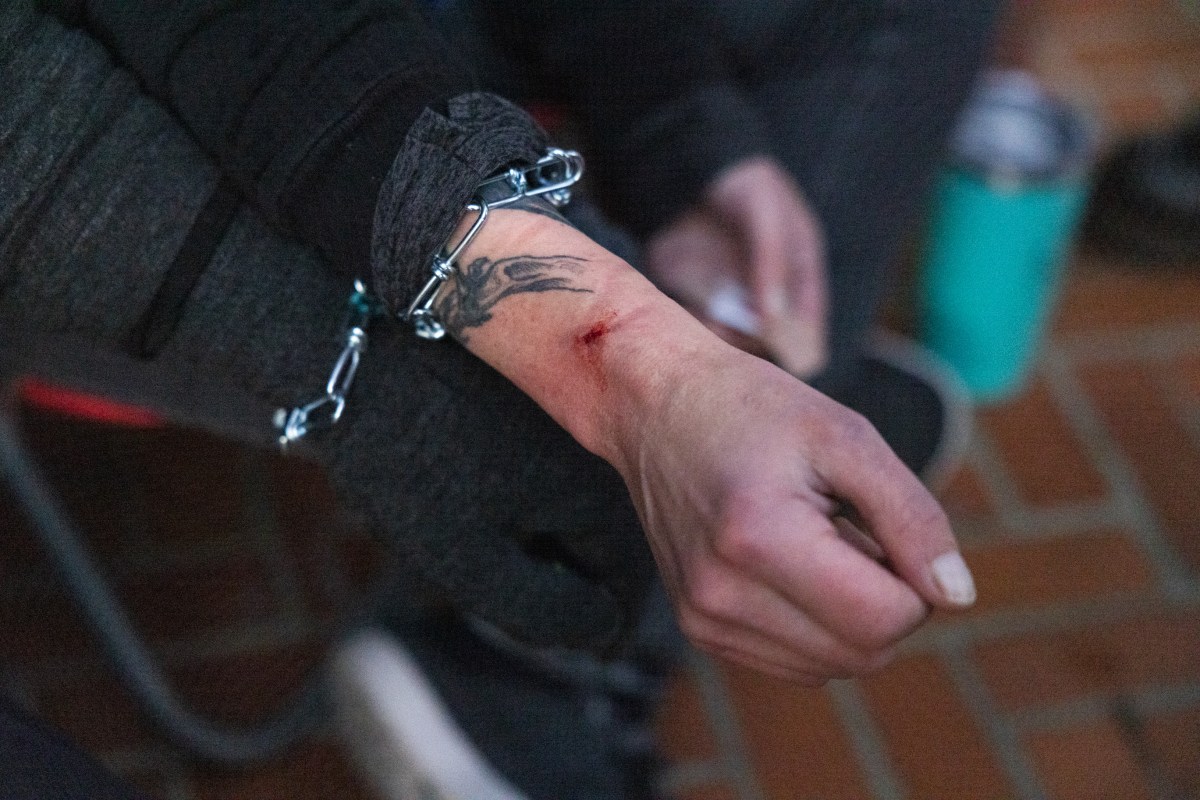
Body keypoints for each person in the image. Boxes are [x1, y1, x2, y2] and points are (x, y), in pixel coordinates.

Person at [0, 1, 999, 797]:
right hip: (86, 177)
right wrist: (600, 359)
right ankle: (535, 674)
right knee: (553, 410)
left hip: (364, 44)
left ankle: (757, 400)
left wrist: (680, 131)